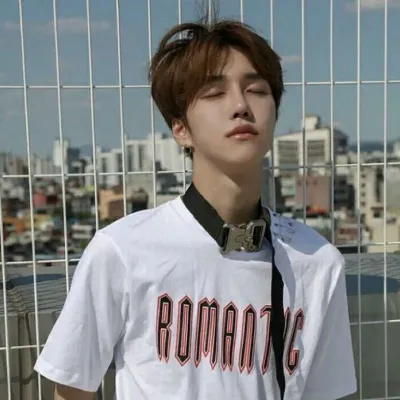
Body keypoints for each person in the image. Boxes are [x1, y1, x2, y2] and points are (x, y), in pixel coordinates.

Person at [34, 15, 357, 400]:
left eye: (256, 89)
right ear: (180, 128)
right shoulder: (123, 250)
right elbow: (71, 390)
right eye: (215, 93)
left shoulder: (317, 261)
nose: (240, 105)